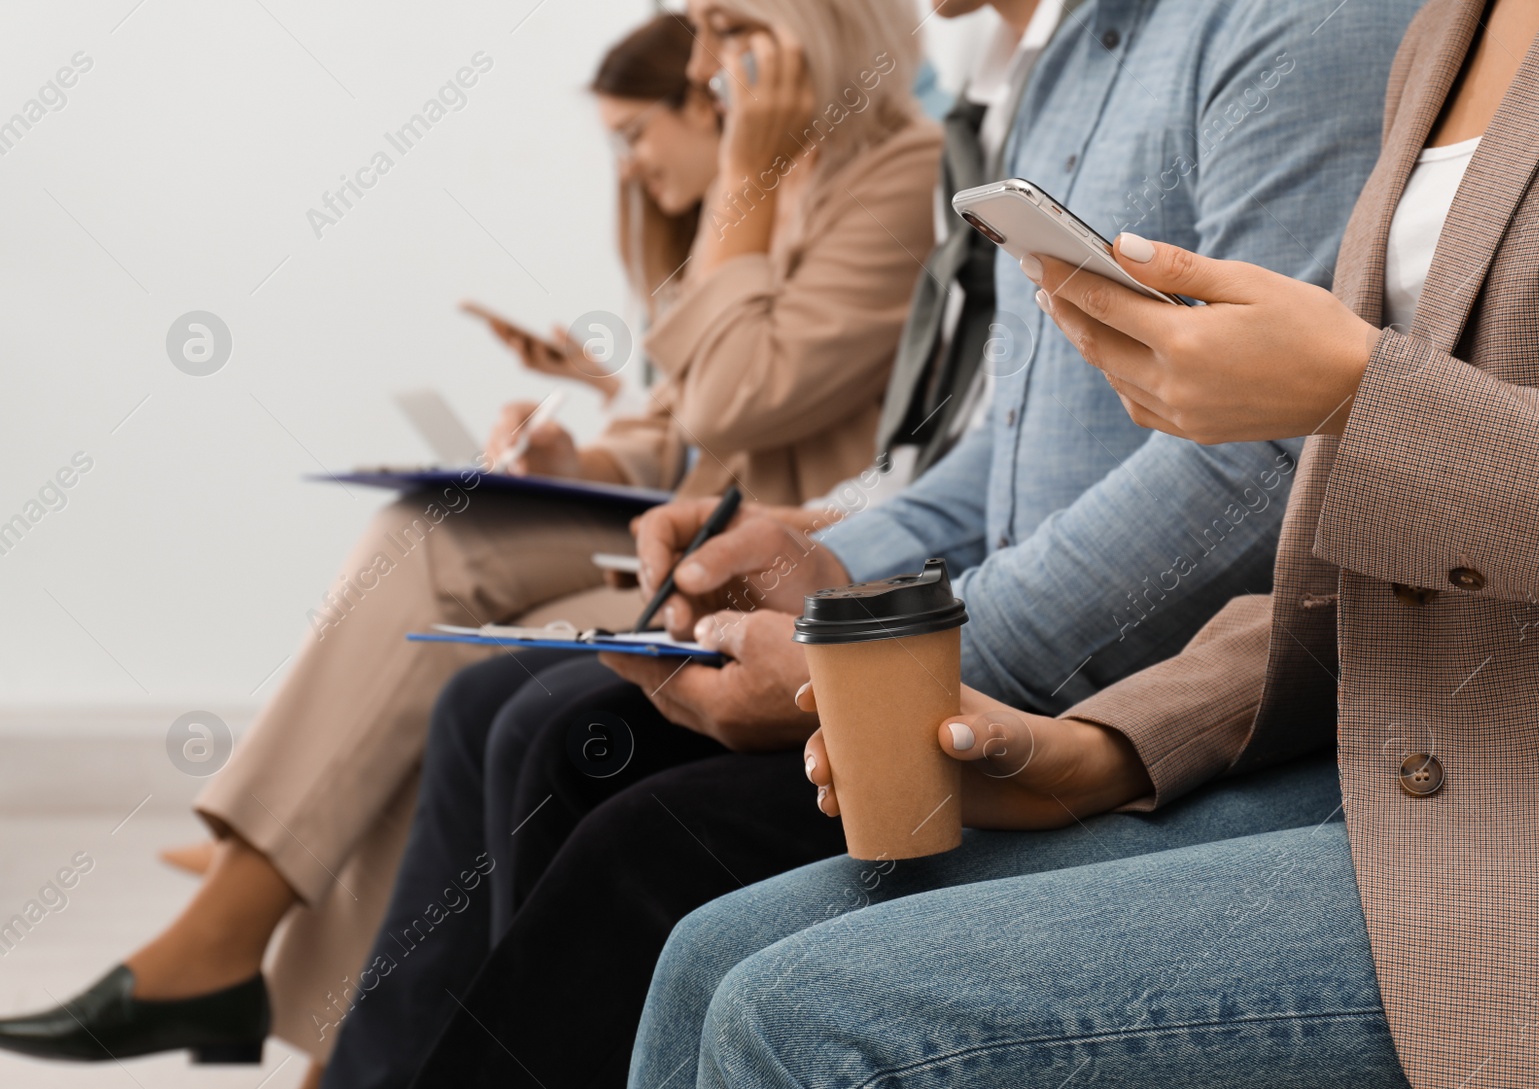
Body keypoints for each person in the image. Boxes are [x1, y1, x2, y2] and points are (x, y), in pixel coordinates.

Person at [334, 0, 1416, 1085]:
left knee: (640, 834)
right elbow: (1008, 438)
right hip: (1016, 636)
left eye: (726, 30)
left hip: (1148, 683)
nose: (706, 70)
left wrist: (899, 662)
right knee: (561, 734)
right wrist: (840, 568)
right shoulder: (1061, 66)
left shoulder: (1292, 25)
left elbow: (1262, 459)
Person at [631, 0, 1539, 1085]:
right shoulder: (1441, 29)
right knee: (706, 955)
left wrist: (1358, 396)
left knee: (790, 1013)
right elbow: (1392, 561)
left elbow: (1319, 444)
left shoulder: (1322, 25)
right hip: (1401, 745)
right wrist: (1117, 745)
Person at [0, 9, 940, 1085]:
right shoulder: (781, 180)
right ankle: (290, 989)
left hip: (768, 542)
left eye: (724, 27)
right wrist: (574, 452)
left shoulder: (892, 177)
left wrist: (744, 183)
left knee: (453, 640)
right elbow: (683, 414)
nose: (698, 60)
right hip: (679, 520)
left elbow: (738, 395)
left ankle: (275, 984)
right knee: (428, 554)